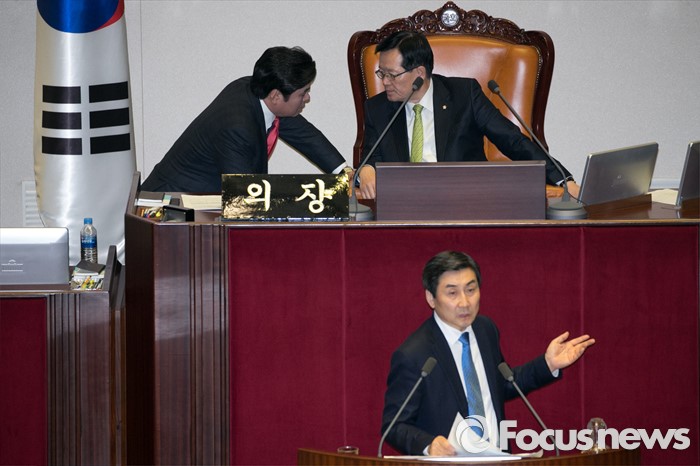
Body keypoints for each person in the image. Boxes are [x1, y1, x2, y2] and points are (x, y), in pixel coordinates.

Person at [382, 250, 595, 456]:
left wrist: (548, 364)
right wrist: (428, 445)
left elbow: (502, 385)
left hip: (498, 457)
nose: (465, 302)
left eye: (471, 290)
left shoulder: (485, 330)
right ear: (431, 298)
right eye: (452, 293)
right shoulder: (414, 354)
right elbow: (394, 426)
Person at [357, 31, 580, 200]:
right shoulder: (378, 108)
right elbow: (370, 156)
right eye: (381, 73)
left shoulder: (465, 95)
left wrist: (563, 179)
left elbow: (513, 140)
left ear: (419, 73)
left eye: (392, 75)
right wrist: (365, 171)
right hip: (405, 206)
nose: (384, 82)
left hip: (466, 201)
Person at [141, 46, 348, 193]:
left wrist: (346, 173)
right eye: (303, 93)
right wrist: (310, 197)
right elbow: (245, 196)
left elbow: (306, 135)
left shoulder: (258, 90)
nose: (308, 98)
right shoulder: (236, 127)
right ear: (276, 96)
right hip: (170, 207)